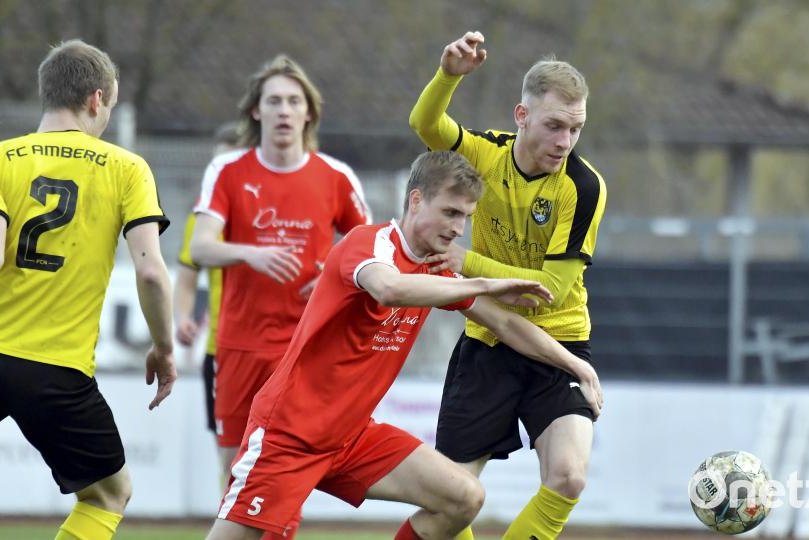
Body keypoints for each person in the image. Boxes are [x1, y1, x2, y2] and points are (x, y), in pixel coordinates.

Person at [205, 150, 601, 540]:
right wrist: (482, 281)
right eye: (450, 212)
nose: (458, 229)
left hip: (351, 438)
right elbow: (389, 288)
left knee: (463, 498)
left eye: (465, 216)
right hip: (289, 435)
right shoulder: (369, 243)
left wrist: (577, 365)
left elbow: (503, 322)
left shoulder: (436, 268)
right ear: (416, 200)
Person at [0, 40, 176, 540]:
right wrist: (164, 347)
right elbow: (152, 272)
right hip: (56, 371)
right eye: (109, 106)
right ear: (97, 99)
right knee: (109, 496)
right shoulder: (127, 168)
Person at [409, 31, 608, 540]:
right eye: (554, 126)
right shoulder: (486, 155)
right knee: (449, 492)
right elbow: (425, 124)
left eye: (576, 129)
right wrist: (448, 76)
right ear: (521, 117)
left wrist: (467, 261)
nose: (565, 142)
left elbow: (550, 292)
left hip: (557, 341)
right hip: (488, 340)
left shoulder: (583, 187)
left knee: (568, 476)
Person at [189, 54, 372, 520]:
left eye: (294, 101)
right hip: (239, 347)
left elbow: (370, 253)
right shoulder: (228, 171)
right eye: (274, 101)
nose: (284, 111)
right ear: (256, 110)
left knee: (287, 470)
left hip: (305, 349)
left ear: (309, 112)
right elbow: (202, 248)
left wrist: (334, 274)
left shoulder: (335, 176)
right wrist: (250, 252)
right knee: (233, 469)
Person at [173, 122, 240, 476]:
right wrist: (182, 317)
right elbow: (186, 280)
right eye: (214, 167)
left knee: (282, 449)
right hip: (221, 350)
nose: (218, 176)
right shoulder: (202, 221)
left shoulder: (272, 213)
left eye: (226, 166)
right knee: (229, 457)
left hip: (279, 347)